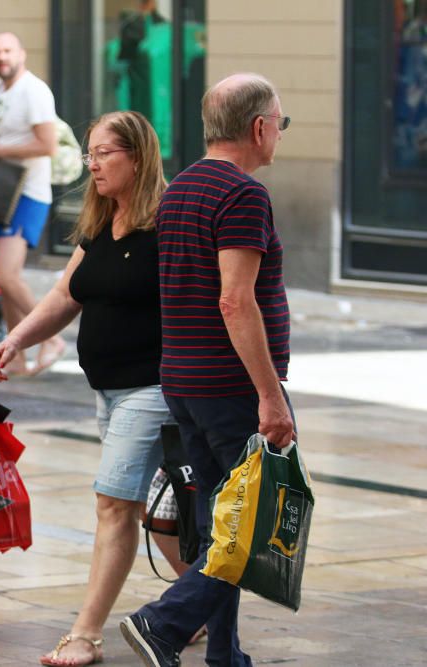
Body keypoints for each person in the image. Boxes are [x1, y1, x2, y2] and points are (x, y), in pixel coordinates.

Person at [0, 111, 191, 667]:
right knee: (155, 512)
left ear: (137, 156)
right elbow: (64, 294)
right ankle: (198, 606)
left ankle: (85, 634)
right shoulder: (104, 221)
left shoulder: (169, 221)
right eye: (89, 155)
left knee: (113, 504)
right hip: (109, 391)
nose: (92, 165)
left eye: (104, 154)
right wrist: (18, 337)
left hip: (153, 387)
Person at [119, 73, 295, 667]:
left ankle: (225, 654)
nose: (280, 133)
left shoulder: (182, 189)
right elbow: (233, 300)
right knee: (253, 525)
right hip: (229, 387)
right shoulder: (243, 194)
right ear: (259, 127)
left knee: (220, 522)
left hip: (187, 382)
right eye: (281, 122)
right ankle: (162, 623)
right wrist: (271, 398)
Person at [0, 31, 67, 376]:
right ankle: (18, 356)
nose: (1, 57)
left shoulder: (34, 90)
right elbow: (7, 136)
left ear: (21, 54)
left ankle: (52, 336)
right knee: (3, 277)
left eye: (7, 50)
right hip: (1, 194)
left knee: (2, 273)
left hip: (28, 193)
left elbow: (47, 145)